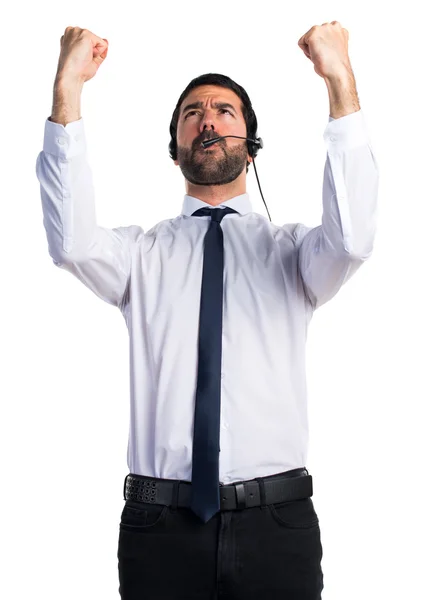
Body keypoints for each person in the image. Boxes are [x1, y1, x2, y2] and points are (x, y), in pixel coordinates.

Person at [35, 22, 378, 600]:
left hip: (277, 524)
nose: (209, 119)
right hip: (160, 528)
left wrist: (339, 81)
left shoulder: (294, 253)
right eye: (193, 113)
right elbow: (70, 241)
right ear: (176, 147)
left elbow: (353, 240)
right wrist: (67, 88)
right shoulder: (139, 256)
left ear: (250, 141)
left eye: (225, 111)